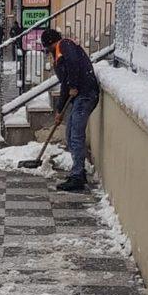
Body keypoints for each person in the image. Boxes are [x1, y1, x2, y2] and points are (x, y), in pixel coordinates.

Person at [41, 29, 100, 192]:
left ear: (51, 42)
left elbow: (73, 64)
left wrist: (74, 85)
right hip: (80, 96)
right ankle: (77, 172)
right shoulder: (60, 54)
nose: (48, 52)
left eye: (47, 48)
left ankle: (78, 176)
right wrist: (59, 110)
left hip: (86, 94)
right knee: (69, 135)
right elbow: (65, 85)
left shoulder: (64, 45)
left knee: (76, 135)